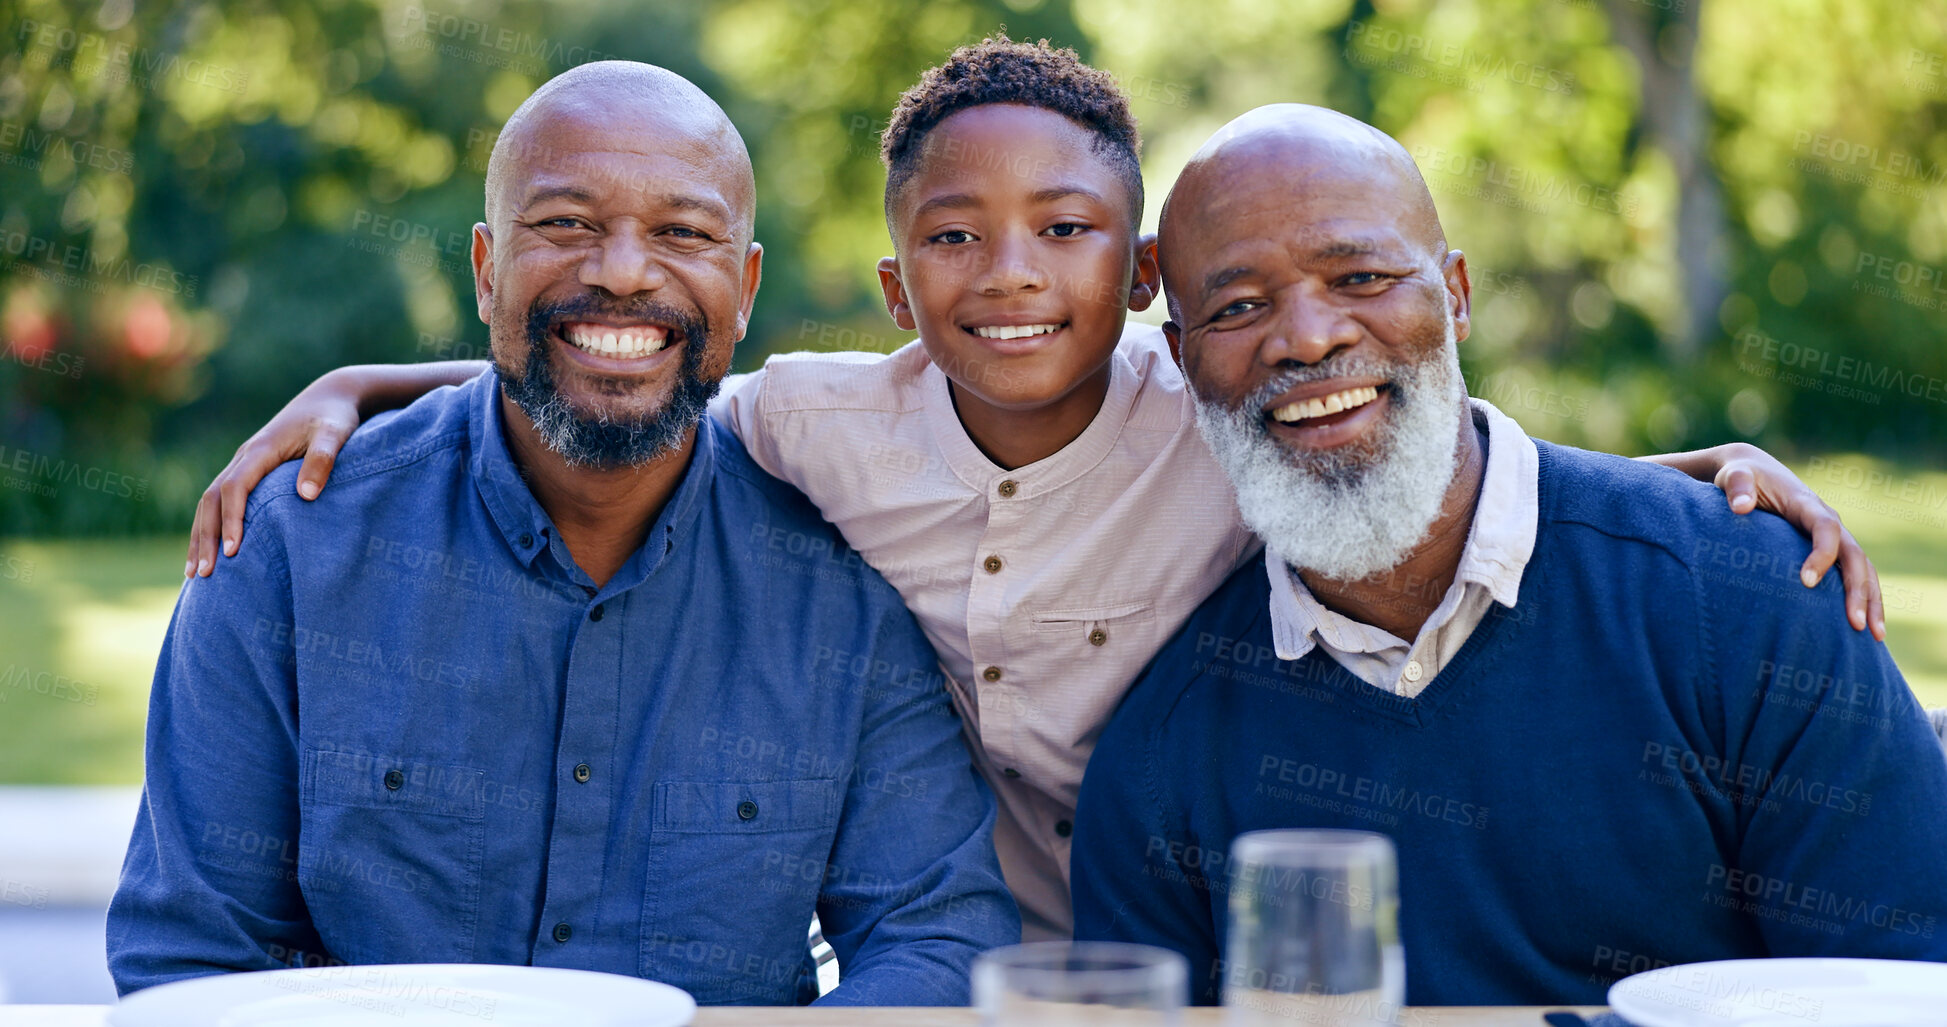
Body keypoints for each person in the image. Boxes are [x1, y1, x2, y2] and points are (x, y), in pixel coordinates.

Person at [180, 39, 1890, 942]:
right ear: (886, 285)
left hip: (1135, 934)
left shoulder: (1222, 413)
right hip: (1051, 958)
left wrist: (1685, 506)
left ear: (1132, 279)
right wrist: (374, 392)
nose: (1012, 279)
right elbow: (626, 364)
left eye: (1067, 235)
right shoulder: (823, 426)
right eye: (953, 241)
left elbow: (1385, 428)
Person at [106, 61, 1019, 1005]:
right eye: (566, 223)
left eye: (682, 232)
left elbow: (935, 933)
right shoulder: (292, 555)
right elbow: (193, 959)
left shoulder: (840, 587)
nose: (622, 270)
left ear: (743, 288)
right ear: (486, 268)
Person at [1069, 104, 1947, 1005]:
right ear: (1182, 357)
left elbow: (1904, 991)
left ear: (1454, 293)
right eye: (1238, 306)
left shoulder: (1755, 598)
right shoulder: (1160, 756)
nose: (1306, 337)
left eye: (1361, 275)